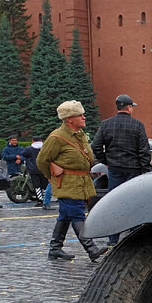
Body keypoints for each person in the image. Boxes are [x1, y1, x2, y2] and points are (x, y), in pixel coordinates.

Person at [38, 100, 109, 262]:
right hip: (67, 183)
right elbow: (42, 160)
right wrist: (51, 177)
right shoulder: (57, 137)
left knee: (65, 216)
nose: (84, 117)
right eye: (80, 115)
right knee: (77, 214)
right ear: (69, 119)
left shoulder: (80, 135)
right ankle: (91, 249)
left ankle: (55, 249)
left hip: (82, 181)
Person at [92, 93, 149, 244]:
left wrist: (106, 160)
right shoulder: (137, 125)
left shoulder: (106, 124)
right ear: (129, 107)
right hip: (134, 170)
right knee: (134, 203)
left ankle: (113, 238)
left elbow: (95, 146)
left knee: (114, 203)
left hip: (115, 168)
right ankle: (134, 237)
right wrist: (144, 168)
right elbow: (144, 150)